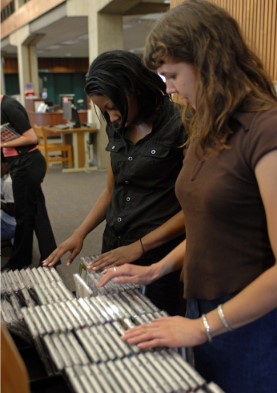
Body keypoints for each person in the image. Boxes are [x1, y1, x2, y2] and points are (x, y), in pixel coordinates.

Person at [97, 2, 277, 392]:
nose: (171, 89)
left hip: (251, 321)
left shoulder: (266, 130)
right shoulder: (207, 125)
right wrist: (155, 268)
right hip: (201, 305)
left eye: (173, 75)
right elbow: (209, 226)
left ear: (210, 61)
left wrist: (203, 327)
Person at [43, 50, 187, 315]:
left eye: (112, 107)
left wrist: (139, 247)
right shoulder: (118, 125)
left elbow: (193, 210)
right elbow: (112, 189)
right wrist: (80, 232)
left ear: (134, 89)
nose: (111, 118)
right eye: (102, 110)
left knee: (155, 334)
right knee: (113, 324)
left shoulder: (181, 124)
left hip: (159, 255)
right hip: (115, 245)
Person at [0, 95, 58, 270]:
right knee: (37, 212)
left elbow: (31, 137)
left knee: (25, 216)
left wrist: (2, 143)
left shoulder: (9, 106)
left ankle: (20, 260)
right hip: (21, 164)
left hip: (27, 164)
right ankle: (50, 257)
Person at [1, 155, 16, 245]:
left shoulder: (8, 182)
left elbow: (12, 210)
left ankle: (8, 241)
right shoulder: (15, 175)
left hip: (10, 226)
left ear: (6, 164)